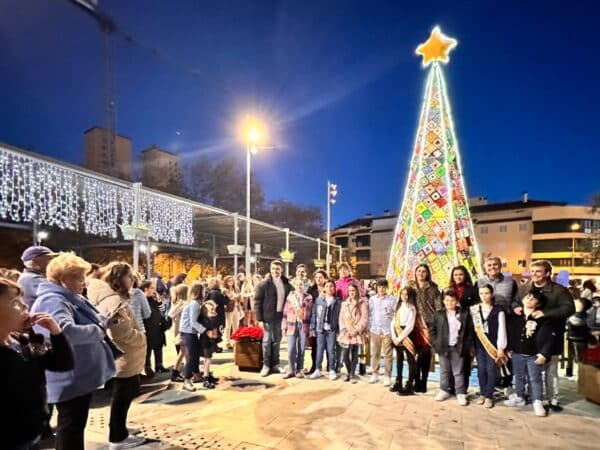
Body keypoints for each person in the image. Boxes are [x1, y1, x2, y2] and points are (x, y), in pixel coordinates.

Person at [31, 253, 116, 450]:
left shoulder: (65, 297)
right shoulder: (54, 300)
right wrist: (99, 331)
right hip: (70, 378)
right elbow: (65, 332)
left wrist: (102, 321)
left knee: (73, 426)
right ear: (63, 280)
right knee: (71, 428)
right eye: (79, 278)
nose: (84, 283)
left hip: (76, 376)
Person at [1, 278, 74, 450]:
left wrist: (56, 332)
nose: (25, 306)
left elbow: (63, 364)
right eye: (15, 303)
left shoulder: (22, 341)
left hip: (31, 433)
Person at [89, 262, 147, 450]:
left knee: (125, 394)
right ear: (119, 278)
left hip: (126, 356)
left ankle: (120, 428)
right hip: (125, 356)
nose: (132, 280)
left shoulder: (113, 297)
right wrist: (141, 339)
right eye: (129, 276)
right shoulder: (113, 301)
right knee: (123, 396)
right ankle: (117, 437)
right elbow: (121, 332)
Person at [513, 260, 575, 412]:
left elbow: (569, 308)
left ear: (547, 273)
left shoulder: (559, 290)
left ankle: (552, 398)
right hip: (529, 337)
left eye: (538, 271)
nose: (534, 274)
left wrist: (545, 314)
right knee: (529, 369)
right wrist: (515, 308)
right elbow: (514, 302)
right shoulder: (524, 288)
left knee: (550, 369)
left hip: (551, 336)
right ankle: (530, 395)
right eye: (532, 271)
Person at [505, 289, 555, 417]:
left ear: (538, 303)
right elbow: (511, 334)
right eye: (527, 297)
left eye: (533, 299)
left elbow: (548, 338)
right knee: (519, 376)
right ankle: (520, 397)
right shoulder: (516, 317)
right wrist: (510, 348)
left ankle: (537, 401)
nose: (529, 300)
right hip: (517, 352)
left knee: (535, 379)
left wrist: (544, 354)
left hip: (534, 354)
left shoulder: (542, 319)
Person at [430, 289, 473, 406]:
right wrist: (435, 343)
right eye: (447, 300)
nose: (450, 303)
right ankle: (444, 389)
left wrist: (467, 345)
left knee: (458, 371)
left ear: (457, 301)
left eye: (452, 300)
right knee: (444, 370)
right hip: (443, 346)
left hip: (458, 347)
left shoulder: (464, 314)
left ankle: (460, 392)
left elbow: (469, 331)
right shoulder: (438, 314)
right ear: (443, 301)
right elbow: (432, 330)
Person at [471, 284, 507, 409]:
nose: (484, 296)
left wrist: (501, 347)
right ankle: (482, 393)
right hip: (479, 343)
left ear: (491, 294)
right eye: (481, 293)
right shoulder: (474, 309)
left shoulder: (499, 310)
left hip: (493, 343)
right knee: (481, 369)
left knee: (491, 369)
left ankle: (489, 396)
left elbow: (502, 329)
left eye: (486, 293)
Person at [254, 260, 293, 377]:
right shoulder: (263, 284)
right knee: (266, 342)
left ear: (281, 270)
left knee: (277, 341)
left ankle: (275, 364)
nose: (275, 271)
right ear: (270, 270)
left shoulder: (286, 283)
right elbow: (257, 302)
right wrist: (260, 319)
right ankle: (266, 365)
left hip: (280, 316)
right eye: (273, 269)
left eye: (277, 269)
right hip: (268, 317)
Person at [390, 286, 429, 396]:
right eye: (402, 294)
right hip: (397, 334)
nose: (404, 296)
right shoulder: (398, 306)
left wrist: (400, 338)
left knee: (410, 360)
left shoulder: (412, 308)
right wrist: (393, 336)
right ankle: (399, 381)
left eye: (407, 294)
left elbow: (410, 326)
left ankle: (410, 385)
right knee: (398, 359)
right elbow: (393, 322)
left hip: (408, 335)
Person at [410, 264, 442, 393]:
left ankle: (423, 381)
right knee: (413, 354)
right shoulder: (410, 287)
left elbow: (439, 308)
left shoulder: (434, 289)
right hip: (412, 324)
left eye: (424, 271)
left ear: (428, 273)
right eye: (419, 271)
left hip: (427, 326)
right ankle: (415, 380)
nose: (421, 273)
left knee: (425, 355)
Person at [180, 282, 214, 391]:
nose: (205, 292)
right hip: (188, 332)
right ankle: (187, 381)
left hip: (190, 332)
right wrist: (206, 331)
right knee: (192, 357)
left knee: (194, 356)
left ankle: (196, 375)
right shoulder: (194, 303)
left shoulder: (195, 303)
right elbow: (193, 322)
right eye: (203, 290)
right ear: (199, 291)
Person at [447, 265, 478, 390]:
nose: (458, 277)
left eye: (460, 274)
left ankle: (462, 387)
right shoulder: (447, 290)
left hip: (467, 328)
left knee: (465, 358)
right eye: (455, 275)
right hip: (450, 327)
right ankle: (450, 386)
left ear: (465, 275)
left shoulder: (471, 289)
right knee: (449, 359)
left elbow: (476, 307)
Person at [310, 279, 342, 380]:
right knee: (319, 349)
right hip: (321, 329)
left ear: (334, 288)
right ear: (324, 288)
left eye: (331, 286)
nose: (329, 288)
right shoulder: (319, 300)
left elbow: (340, 317)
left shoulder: (337, 301)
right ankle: (317, 369)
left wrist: (339, 330)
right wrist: (313, 327)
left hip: (332, 329)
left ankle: (332, 369)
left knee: (331, 350)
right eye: (327, 286)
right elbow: (314, 314)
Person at [282, 277, 313, 378]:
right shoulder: (290, 297)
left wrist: (311, 328)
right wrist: (284, 327)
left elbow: (312, 313)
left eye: (301, 284)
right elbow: (285, 313)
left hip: (304, 325)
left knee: (302, 348)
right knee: (291, 348)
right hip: (291, 324)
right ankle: (291, 369)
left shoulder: (309, 297)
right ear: (294, 285)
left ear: (304, 286)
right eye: (297, 284)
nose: (299, 286)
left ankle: (299, 369)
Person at [367, 278, 396, 386]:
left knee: (388, 354)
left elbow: (396, 315)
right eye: (379, 287)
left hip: (387, 330)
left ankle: (387, 376)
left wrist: (391, 314)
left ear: (386, 288)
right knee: (375, 353)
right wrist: (369, 328)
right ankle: (375, 373)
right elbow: (370, 314)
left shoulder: (392, 299)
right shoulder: (372, 299)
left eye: (384, 287)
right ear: (376, 287)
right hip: (375, 330)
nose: (381, 289)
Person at [337, 283, 368, 382]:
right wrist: (343, 329)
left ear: (357, 291)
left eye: (353, 290)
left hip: (356, 333)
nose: (351, 293)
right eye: (350, 291)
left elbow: (364, 318)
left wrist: (356, 330)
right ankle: (350, 372)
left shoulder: (362, 303)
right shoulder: (344, 304)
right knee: (345, 354)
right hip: (346, 332)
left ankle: (352, 374)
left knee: (354, 354)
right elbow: (341, 318)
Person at [141, 280, 169, 375]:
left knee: (158, 346)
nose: (154, 290)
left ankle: (159, 365)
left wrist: (159, 301)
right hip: (148, 327)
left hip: (158, 327)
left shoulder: (154, 299)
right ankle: (147, 367)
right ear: (146, 289)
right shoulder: (143, 299)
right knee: (148, 348)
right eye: (152, 288)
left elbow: (163, 310)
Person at [307, 269, 327, 374]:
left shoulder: (329, 288)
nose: (318, 279)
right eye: (317, 278)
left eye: (321, 277)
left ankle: (330, 366)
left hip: (327, 320)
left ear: (325, 278)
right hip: (314, 320)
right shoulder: (311, 290)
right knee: (314, 345)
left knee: (328, 345)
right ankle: (314, 365)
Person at [197, 299, 221, 389]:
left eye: (214, 309)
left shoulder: (209, 319)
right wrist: (214, 334)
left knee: (208, 359)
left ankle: (208, 374)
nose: (214, 312)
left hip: (208, 342)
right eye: (211, 310)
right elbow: (211, 334)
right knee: (208, 360)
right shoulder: (205, 320)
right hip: (206, 342)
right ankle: (206, 377)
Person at [168, 284, 190, 382]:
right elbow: (171, 314)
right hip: (181, 330)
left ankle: (189, 372)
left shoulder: (183, 303)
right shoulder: (181, 303)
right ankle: (176, 372)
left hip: (183, 330)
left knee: (184, 352)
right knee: (184, 352)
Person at [205, 277, 228, 352]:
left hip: (210, 314)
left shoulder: (209, 293)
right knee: (217, 330)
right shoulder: (219, 293)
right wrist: (225, 295)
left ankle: (213, 346)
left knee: (212, 329)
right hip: (218, 314)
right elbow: (225, 302)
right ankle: (214, 346)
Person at [222, 275, 243, 350]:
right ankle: (226, 342)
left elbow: (238, 298)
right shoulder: (224, 290)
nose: (231, 282)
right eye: (229, 281)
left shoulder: (236, 289)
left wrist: (239, 298)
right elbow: (230, 298)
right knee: (228, 326)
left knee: (236, 325)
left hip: (236, 308)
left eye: (232, 280)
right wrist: (236, 296)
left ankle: (235, 341)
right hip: (229, 309)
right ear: (226, 282)